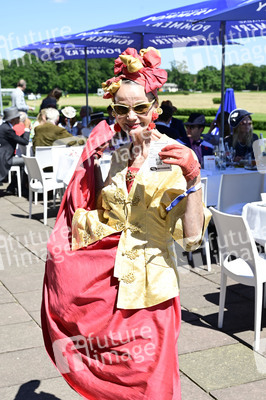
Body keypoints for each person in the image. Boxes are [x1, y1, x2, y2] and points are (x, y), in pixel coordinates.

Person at [41, 47, 211, 400]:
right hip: (109, 292)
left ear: (156, 106)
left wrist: (194, 179)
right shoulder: (108, 154)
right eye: (121, 109)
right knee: (110, 381)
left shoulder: (174, 156)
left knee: (151, 384)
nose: (131, 117)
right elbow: (93, 213)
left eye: (140, 108)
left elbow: (193, 239)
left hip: (152, 292)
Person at [0, 107, 31, 193]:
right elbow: (25, 142)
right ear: (13, 119)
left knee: (22, 161)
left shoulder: (5, 127)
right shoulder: (8, 129)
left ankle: (13, 186)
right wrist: (27, 128)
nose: (20, 119)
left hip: (3, 155)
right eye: (18, 117)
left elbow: (16, 139)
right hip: (5, 158)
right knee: (25, 161)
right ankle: (19, 187)